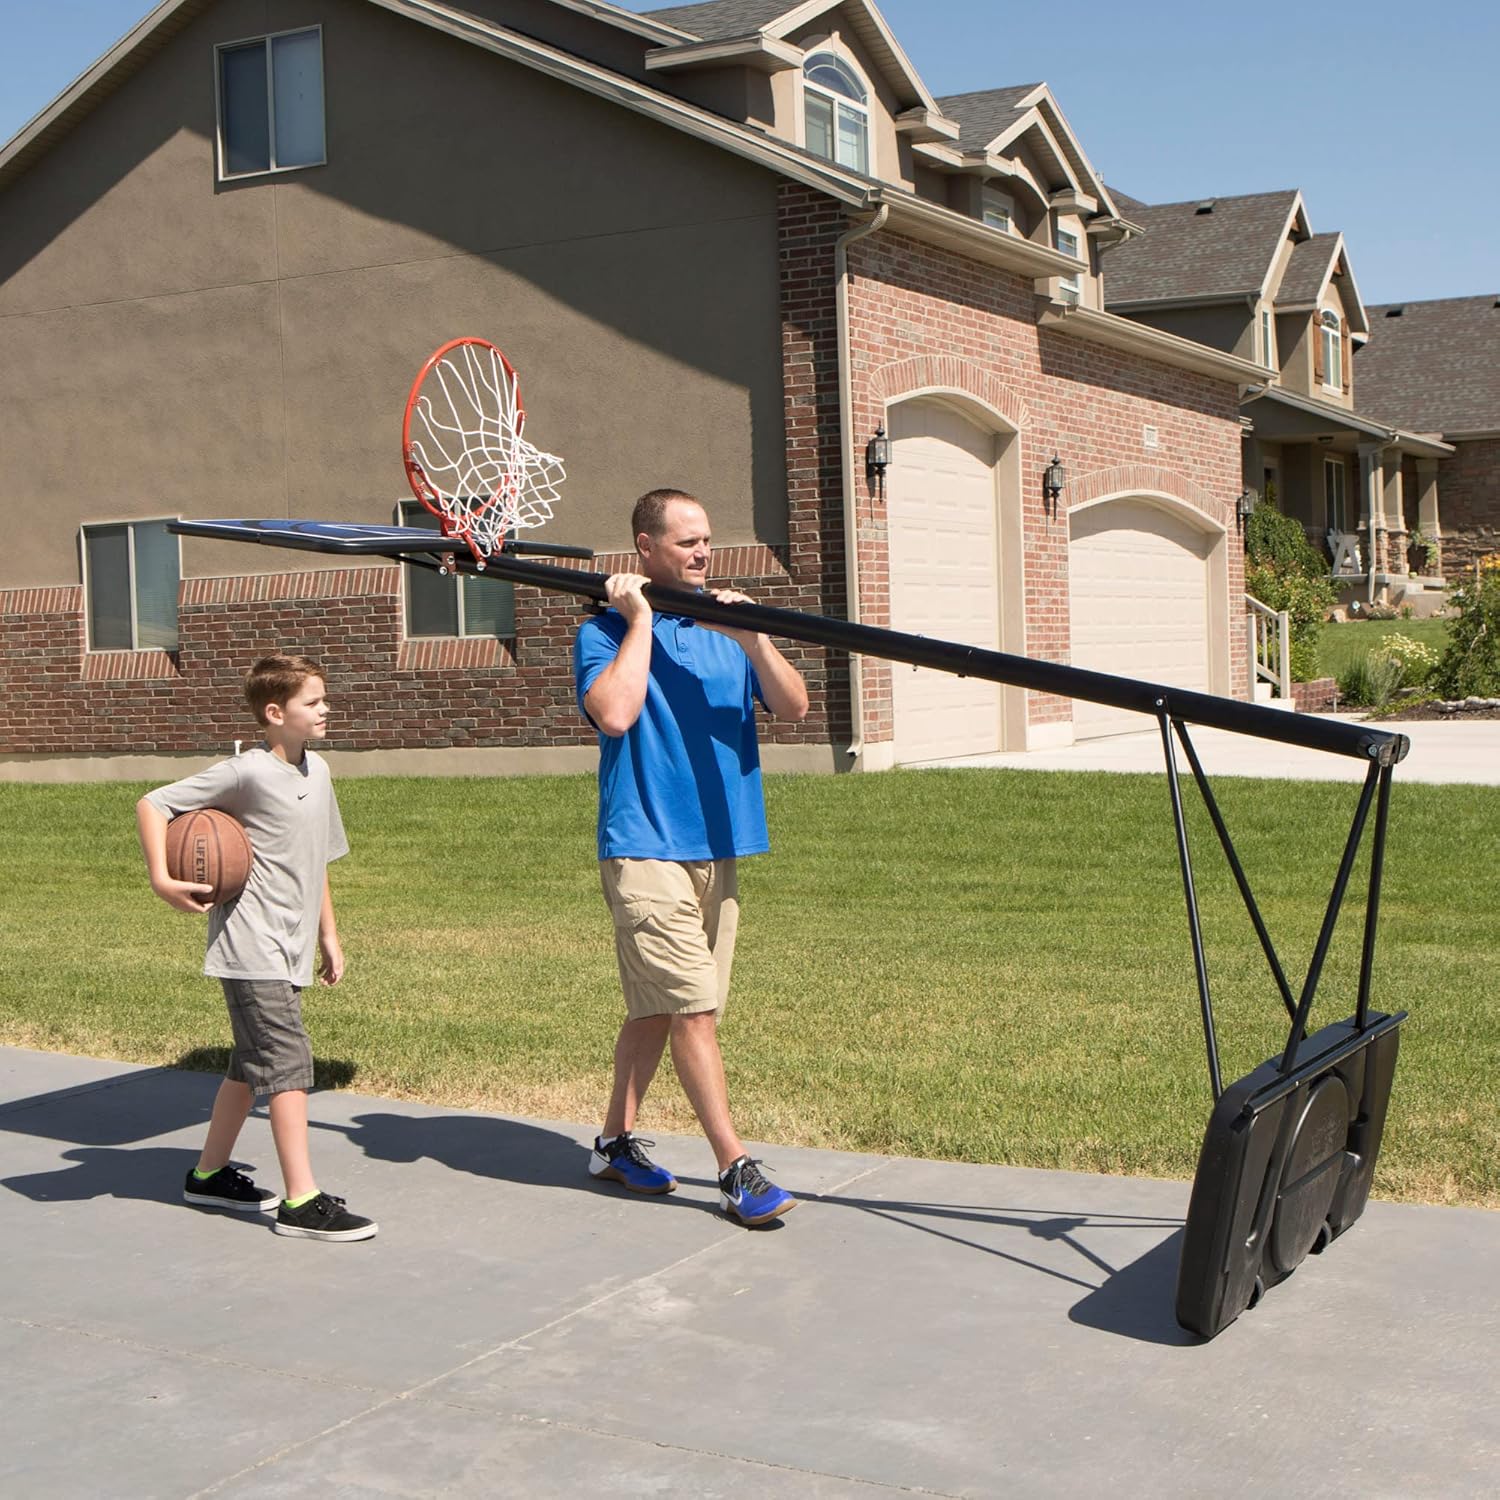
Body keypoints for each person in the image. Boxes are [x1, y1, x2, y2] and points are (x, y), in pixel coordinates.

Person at [574, 488, 810, 1226]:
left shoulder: (729, 628)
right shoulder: (604, 631)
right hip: (644, 844)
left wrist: (751, 638)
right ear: (645, 548)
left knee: (657, 1009)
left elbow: (795, 706)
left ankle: (613, 1144)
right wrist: (641, 620)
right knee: (694, 1011)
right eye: (686, 542)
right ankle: (735, 1168)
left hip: (718, 847)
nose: (703, 553)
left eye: (706, 539)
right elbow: (616, 713)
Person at [136, 654, 376, 1242]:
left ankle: (208, 1175)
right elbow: (153, 803)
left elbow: (316, 859)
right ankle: (302, 1200)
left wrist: (328, 934)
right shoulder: (246, 772)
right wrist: (162, 880)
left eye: (324, 699)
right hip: (250, 946)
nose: (325, 709)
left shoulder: (318, 771)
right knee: (288, 1064)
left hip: (290, 944)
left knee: (248, 1068)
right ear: (275, 712)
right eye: (312, 702)